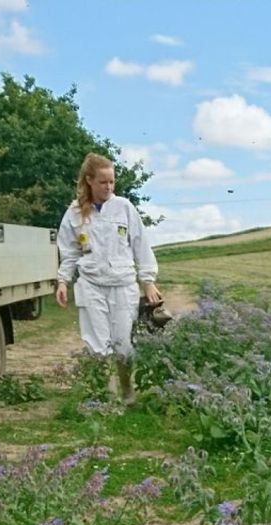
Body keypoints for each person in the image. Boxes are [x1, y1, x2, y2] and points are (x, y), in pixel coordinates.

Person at [55, 152, 161, 404]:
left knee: (123, 342)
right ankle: (102, 395)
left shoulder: (124, 207)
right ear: (89, 180)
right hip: (91, 284)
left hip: (123, 284)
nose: (109, 187)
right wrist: (62, 280)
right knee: (96, 344)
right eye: (103, 182)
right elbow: (68, 250)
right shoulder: (74, 213)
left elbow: (140, 244)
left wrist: (148, 280)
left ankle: (127, 391)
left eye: (112, 182)